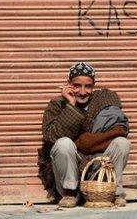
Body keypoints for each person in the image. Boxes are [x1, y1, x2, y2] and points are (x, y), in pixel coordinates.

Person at [38, 62, 131, 208]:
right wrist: (71, 106)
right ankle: (70, 194)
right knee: (63, 144)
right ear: (68, 83)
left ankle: (115, 192)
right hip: (70, 165)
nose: (82, 92)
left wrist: (86, 143)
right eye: (76, 86)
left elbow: (119, 129)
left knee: (122, 143)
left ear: (93, 85)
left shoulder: (104, 99)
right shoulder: (57, 105)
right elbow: (52, 137)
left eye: (87, 86)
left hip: (99, 162)